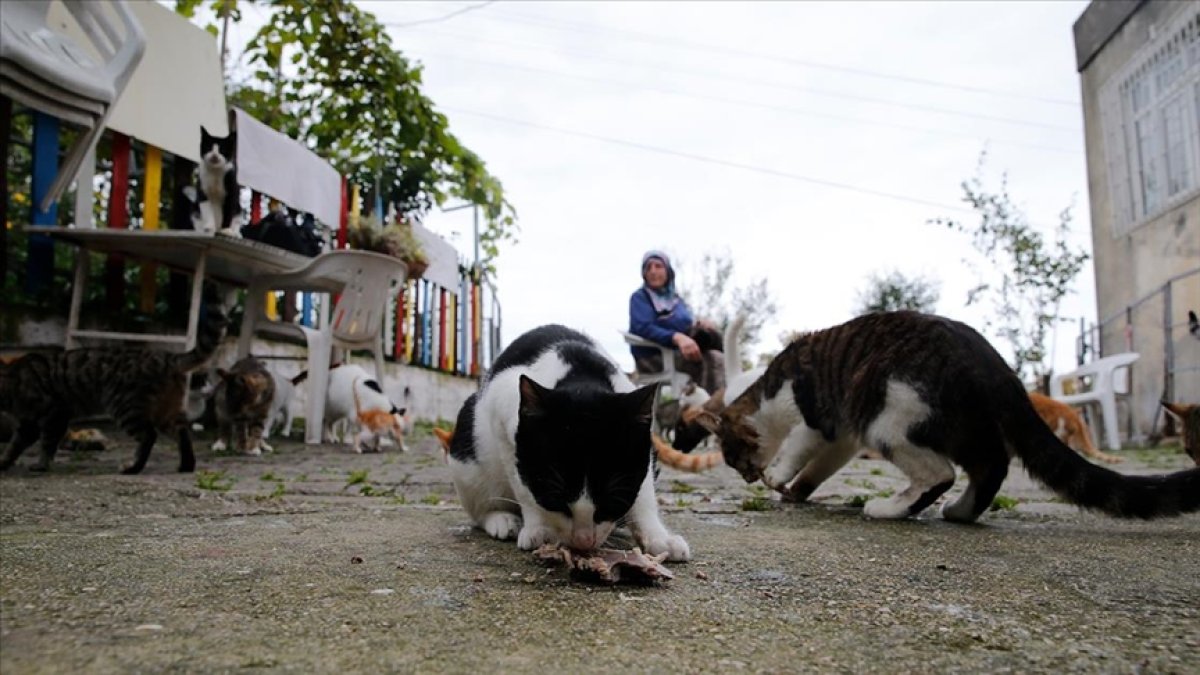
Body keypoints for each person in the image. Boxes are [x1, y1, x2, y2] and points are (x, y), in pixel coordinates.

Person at [628, 250, 725, 394]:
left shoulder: (676, 300)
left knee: (714, 342)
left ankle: (723, 404)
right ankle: (710, 410)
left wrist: (699, 324)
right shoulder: (640, 298)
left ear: (668, 271)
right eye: (648, 268)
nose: (653, 271)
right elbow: (643, 327)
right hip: (654, 356)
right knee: (712, 360)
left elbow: (686, 322)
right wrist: (676, 337)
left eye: (658, 266)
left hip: (679, 351)